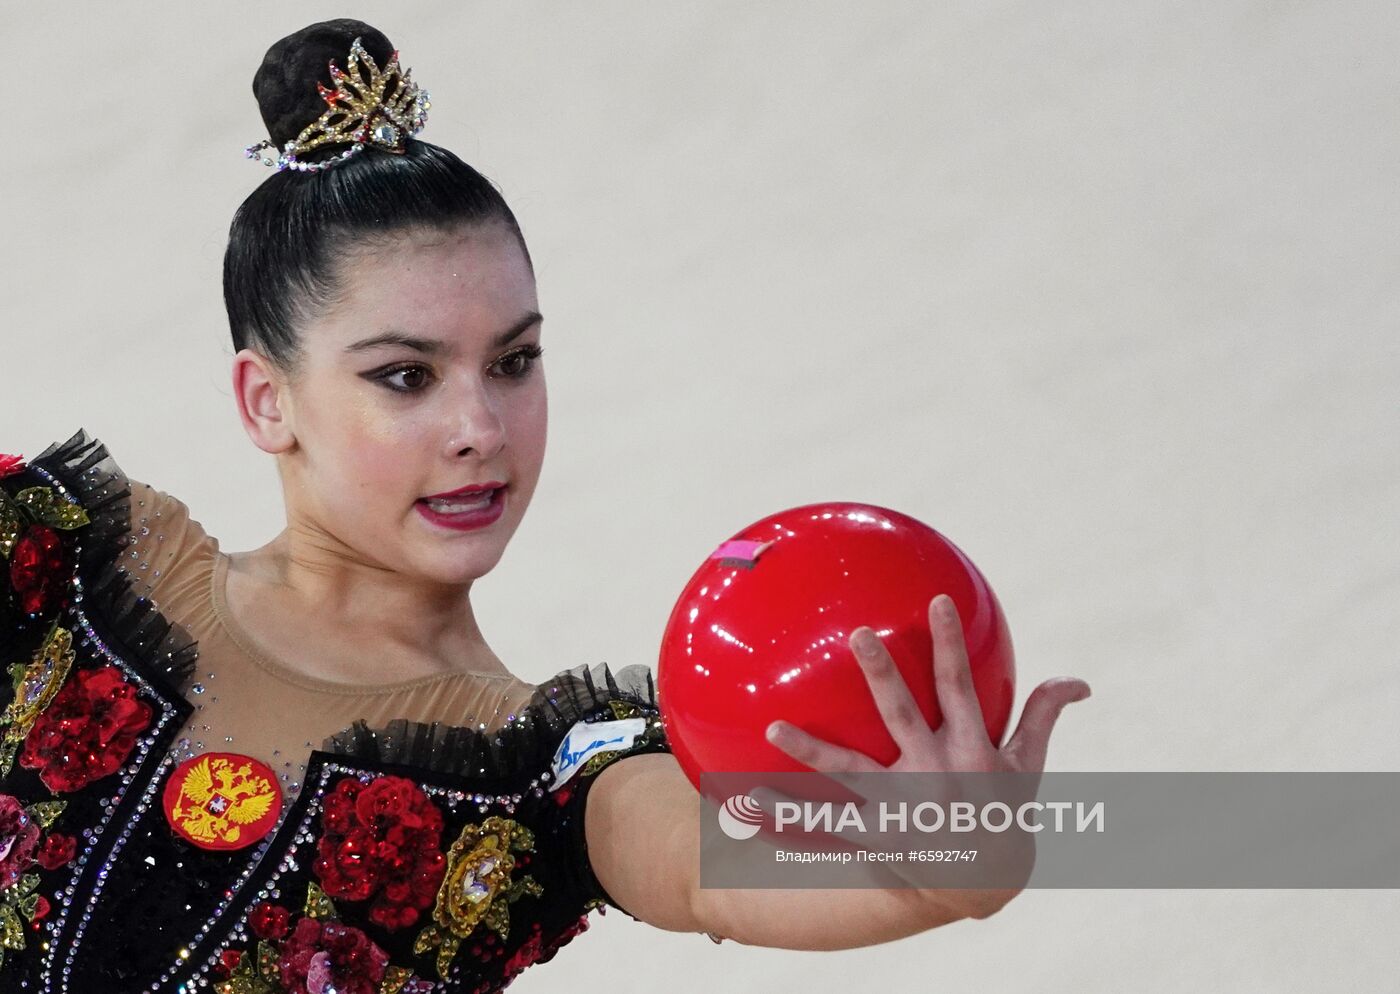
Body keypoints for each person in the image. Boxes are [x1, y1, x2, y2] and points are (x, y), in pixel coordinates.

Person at [0, 18, 1090, 994]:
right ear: (266, 399)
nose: (481, 424)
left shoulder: (538, 776)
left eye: (513, 361)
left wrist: (954, 870)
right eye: (405, 376)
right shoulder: (71, 575)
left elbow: (723, 875)